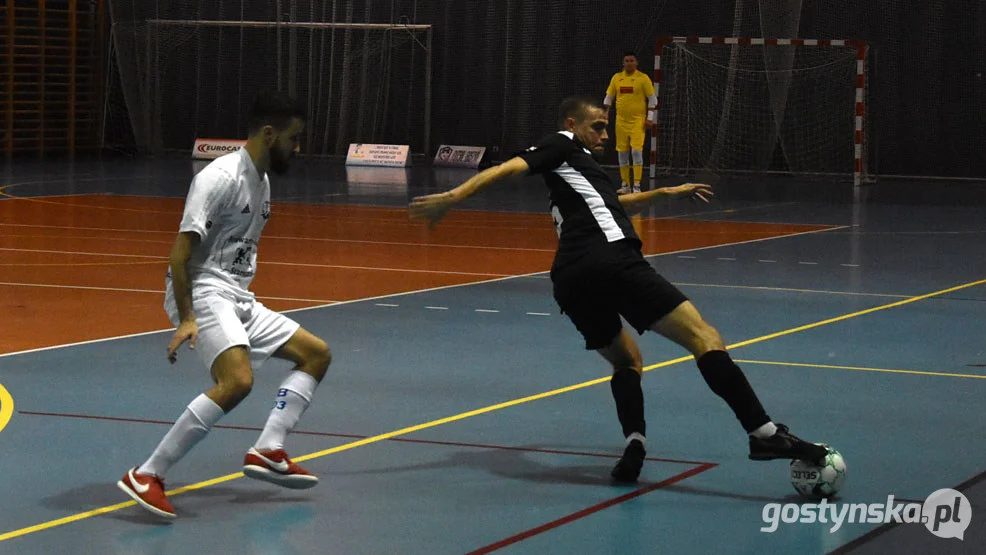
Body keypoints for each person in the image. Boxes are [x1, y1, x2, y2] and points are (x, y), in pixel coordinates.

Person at [409, 96, 828, 483]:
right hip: (611, 258)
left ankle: (634, 445)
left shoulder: (574, 178)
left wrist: (663, 193)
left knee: (627, 360)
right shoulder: (562, 143)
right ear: (573, 124)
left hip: (570, 279)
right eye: (599, 127)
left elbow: (610, 204)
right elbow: (509, 167)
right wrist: (451, 195)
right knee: (705, 338)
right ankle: (763, 432)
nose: (605, 136)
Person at [117, 91, 332, 518]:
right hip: (203, 291)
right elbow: (179, 256)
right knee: (238, 381)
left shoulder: (262, 179)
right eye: (293, 138)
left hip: (235, 295)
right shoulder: (220, 178)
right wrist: (187, 318)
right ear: (269, 135)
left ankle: (268, 449)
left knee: (315, 354)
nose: (298, 147)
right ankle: (147, 473)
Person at [603, 51, 656, 194]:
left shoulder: (643, 78)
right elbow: (609, 97)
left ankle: (637, 185)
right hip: (621, 121)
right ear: (623, 63)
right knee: (622, 153)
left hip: (638, 121)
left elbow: (652, 99)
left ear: (636, 63)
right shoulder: (617, 78)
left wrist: (650, 117)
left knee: (636, 151)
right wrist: (605, 113)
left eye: (632, 60)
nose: (629, 63)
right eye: (626, 61)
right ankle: (625, 184)